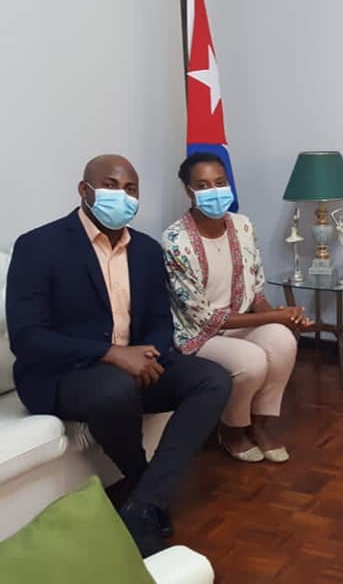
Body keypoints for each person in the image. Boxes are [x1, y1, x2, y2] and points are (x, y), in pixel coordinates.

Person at [5, 154, 232, 557]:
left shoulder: (145, 250)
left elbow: (160, 319)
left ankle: (143, 505)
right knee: (113, 387)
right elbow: (28, 338)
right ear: (84, 190)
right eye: (110, 186)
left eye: (130, 189)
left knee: (212, 379)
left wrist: (150, 352)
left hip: (131, 366)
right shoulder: (39, 246)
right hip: (62, 374)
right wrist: (112, 354)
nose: (122, 196)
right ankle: (144, 482)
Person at [162, 152, 308, 464]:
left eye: (220, 182)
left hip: (243, 323)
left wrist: (283, 319)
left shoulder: (242, 226)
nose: (214, 191)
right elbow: (204, 319)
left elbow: (256, 289)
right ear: (189, 191)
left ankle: (260, 426)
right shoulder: (175, 240)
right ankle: (231, 429)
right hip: (200, 335)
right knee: (252, 361)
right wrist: (276, 316)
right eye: (203, 185)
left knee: (283, 340)